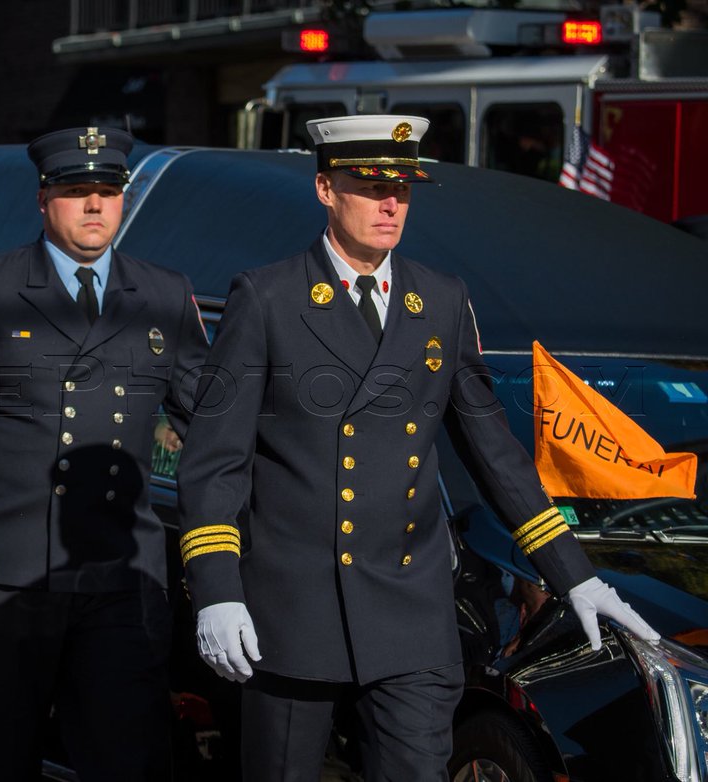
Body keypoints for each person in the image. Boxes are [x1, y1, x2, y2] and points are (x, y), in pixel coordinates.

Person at [175, 115, 660, 781]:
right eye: (370, 186)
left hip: (408, 611)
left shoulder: (440, 299)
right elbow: (215, 462)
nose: (390, 203)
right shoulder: (268, 297)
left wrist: (572, 572)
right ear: (324, 189)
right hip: (292, 611)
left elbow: (494, 450)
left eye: (402, 187)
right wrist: (218, 590)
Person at [0, 126, 210, 781]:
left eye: (108, 191)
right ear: (44, 199)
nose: (96, 205)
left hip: (119, 574)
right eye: (78, 191)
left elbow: (213, 426)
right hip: (2, 571)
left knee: (127, 758)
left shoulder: (161, 293)